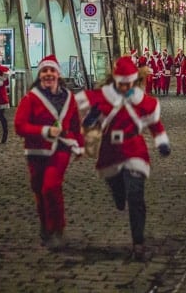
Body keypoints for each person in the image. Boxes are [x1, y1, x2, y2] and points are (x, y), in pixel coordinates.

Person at [75, 56, 171, 260]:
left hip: (134, 148)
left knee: (136, 195)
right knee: (117, 186)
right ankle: (118, 194)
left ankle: (138, 243)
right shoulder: (104, 98)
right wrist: (90, 119)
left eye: (129, 82)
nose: (126, 86)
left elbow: (155, 124)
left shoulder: (143, 101)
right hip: (110, 150)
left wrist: (161, 142)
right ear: (115, 80)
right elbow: (88, 114)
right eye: (122, 83)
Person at [14, 54, 84, 249]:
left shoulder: (69, 97)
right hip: (36, 150)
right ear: (40, 74)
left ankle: (58, 228)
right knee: (38, 191)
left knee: (51, 187)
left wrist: (79, 144)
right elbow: (20, 126)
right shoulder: (31, 98)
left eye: (52, 70)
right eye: (44, 71)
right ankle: (46, 226)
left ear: (58, 74)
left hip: (61, 148)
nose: (48, 74)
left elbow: (75, 125)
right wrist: (44, 131)